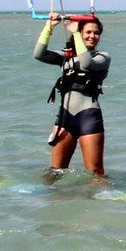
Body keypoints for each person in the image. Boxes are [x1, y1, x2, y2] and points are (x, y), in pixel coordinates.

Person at [34, 13, 110, 176]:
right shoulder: (65, 56)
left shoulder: (103, 57)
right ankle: (51, 199)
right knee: (55, 171)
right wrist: (50, 26)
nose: (92, 36)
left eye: (96, 33)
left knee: (95, 171)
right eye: (88, 32)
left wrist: (75, 33)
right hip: (64, 119)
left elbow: (86, 63)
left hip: (88, 117)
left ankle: (102, 197)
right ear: (82, 33)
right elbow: (39, 54)